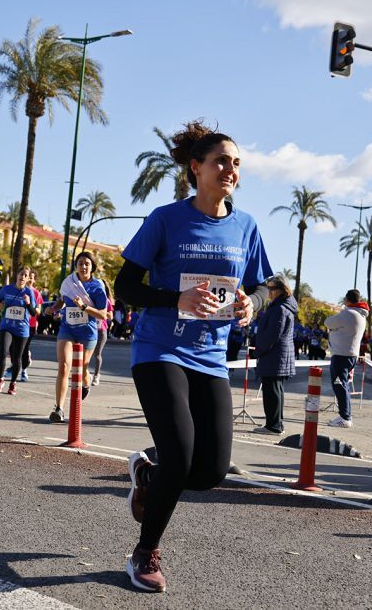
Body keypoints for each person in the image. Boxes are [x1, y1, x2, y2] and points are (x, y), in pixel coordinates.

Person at [113, 121, 271, 593]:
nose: (231, 170)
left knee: (209, 470)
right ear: (195, 168)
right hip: (159, 349)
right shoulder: (165, 218)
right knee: (180, 457)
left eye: (237, 163)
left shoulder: (246, 226)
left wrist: (252, 303)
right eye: (221, 161)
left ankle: (147, 473)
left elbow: (270, 284)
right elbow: (125, 287)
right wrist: (174, 300)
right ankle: (144, 553)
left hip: (210, 357)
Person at [48, 252, 108, 421]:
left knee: (81, 368)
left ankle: (86, 383)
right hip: (68, 328)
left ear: (92, 267)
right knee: (64, 365)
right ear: (76, 265)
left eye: (87, 264)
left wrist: (83, 307)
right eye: (80, 263)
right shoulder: (69, 282)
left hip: (87, 331)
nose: (83, 267)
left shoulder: (97, 287)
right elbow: (62, 300)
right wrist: (53, 308)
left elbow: (102, 315)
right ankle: (58, 408)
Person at [253, 276, 297, 435]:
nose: (269, 293)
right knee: (275, 390)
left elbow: (272, 335)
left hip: (274, 355)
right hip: (277, 355)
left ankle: (273, 426)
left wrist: (259, 350)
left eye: (271, 289)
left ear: (281, 289)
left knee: (272, 392)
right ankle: (275, 423)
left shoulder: (280, 309)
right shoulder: (281, 306)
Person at [323, 289, 369, 428]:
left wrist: (334, 330)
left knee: (339, 385)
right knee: (344, 385)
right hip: (350, 355)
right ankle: (345, 415)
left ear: (347, 300)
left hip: (341, 355)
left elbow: (328, 322)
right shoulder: (361, 315)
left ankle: (345, 417)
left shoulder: (348, 313)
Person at [0, 268, 38, 395]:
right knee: (2, 352)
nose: (23, 277)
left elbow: (33, 313)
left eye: (25, 275)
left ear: (28, 279)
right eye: (21, 274)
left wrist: (28, 303)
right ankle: (0, 379)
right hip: (7, 326)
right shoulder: (7, 289)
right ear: (17, 275)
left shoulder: (29, 292)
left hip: (22, 330)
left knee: (16, 358)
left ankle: (13, 383)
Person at [90, 278, 114, 386]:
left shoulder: (106, 300)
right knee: (86, 353)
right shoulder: (91, 298)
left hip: (101, 330)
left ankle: (96, 375)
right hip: (90, 328)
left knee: (97, 354)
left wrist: (102, 312)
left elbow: (110, 316)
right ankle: (84, 373)